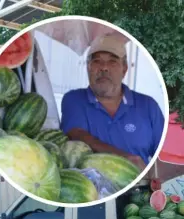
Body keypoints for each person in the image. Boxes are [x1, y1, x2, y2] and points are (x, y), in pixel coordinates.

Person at [60, 34, 165, 172]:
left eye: (112, 61)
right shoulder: (74, 99)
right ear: (88, 67)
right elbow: (77, 135)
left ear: (124, 69)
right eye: (97, 61)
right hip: (91, 187)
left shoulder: (148, 106)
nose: (104, 68)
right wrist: (124, 158)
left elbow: (164, 154)